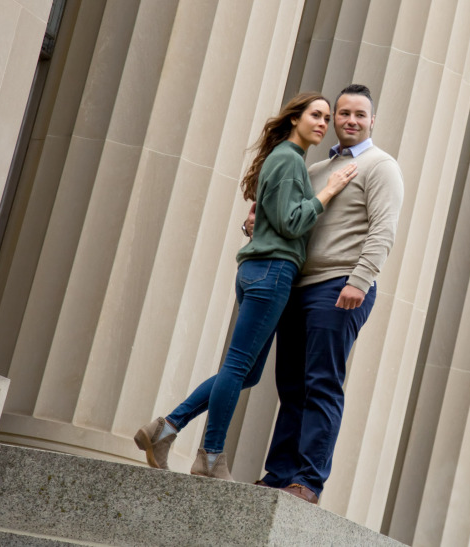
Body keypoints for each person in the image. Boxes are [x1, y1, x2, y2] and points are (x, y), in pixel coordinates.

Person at [133, 92, 357, 480]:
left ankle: (166, 429)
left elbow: (269, 218)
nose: (322, 123)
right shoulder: (289, 160)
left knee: (246, 371)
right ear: (294, 120)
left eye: (325, 118)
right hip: (272, 272)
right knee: (238, 366)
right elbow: (290, 223)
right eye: (315, 115)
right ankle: (211, 456)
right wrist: (328, 191)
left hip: (260, 269)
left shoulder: (287, 160)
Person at [255, 83, 404, 503]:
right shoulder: (318, 169)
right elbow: (294, 217)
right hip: (299, 286)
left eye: (360, 114)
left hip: (340, 286)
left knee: (322, 384)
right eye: (343, 114)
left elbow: (383, 229)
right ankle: (279, 473)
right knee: (290, 385)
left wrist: (360, 279)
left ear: (372, 120)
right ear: (333, 119)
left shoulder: (381, 166)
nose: (350, 121)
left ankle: (307, 480)